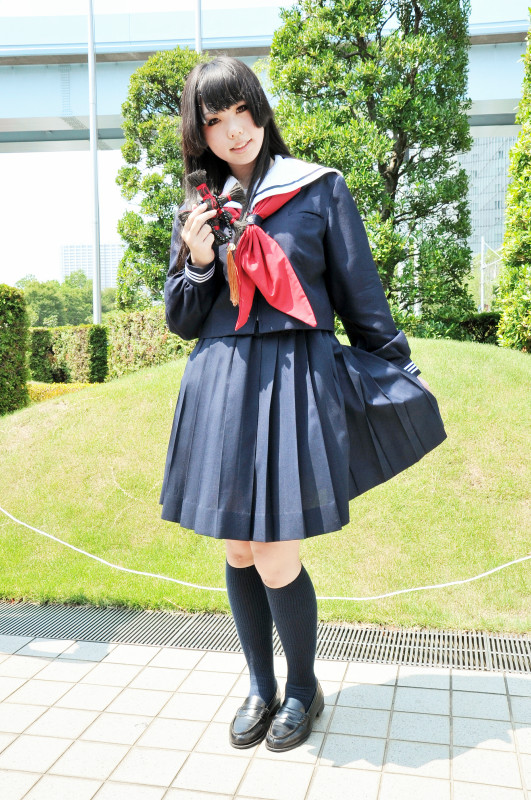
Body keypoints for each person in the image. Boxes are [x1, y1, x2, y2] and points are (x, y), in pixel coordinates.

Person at [159, 55, 446, 753]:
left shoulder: (318, 188)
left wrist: (397, 370)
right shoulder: (199, 209)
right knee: (238, 546)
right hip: (223, 379)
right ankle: (259, 687)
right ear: (200, 133)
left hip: (292, 376)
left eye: (242, 110)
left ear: (260, 108)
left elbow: (360, 294)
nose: (235, 130)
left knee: (276, 551)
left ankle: (301, 688)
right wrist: (199, 262)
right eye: (216, 120)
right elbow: (182, 320)